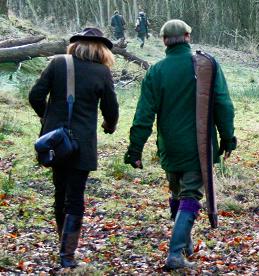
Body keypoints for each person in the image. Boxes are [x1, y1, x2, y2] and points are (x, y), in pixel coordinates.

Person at [124, 19, 236, 270]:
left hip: (169, 147)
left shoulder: (156, 71)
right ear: (188, 36)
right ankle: (175, 254)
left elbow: (143, 115)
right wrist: (228, 137)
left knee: (177, 194)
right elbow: (223, 105)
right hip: (199, 147)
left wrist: (135, 148)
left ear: (164, 41)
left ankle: (185, 245)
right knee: (190, 196)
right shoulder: (207, 65)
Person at [28, 28, 119, 268]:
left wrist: (46, 120)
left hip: (55, 143)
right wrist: (109, 126)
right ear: (102, 49)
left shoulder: (58, 63)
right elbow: (111, 109)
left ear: (76, 45)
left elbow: (35, 95)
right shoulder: (102, 72)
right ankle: (67, 256)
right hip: (82, 145)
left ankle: (62, 244)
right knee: (75, 197)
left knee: (60, 192)